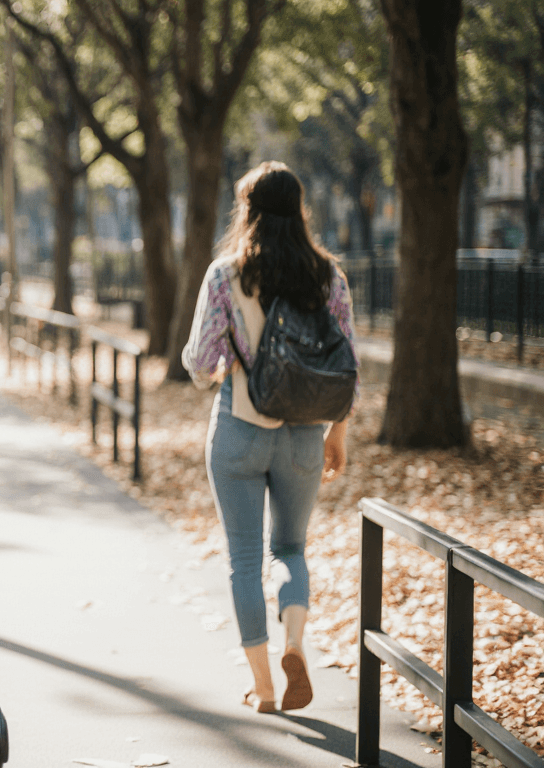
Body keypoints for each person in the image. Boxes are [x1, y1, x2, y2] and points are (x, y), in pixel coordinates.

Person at [181, 161, 358, 714]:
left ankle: (262, 688)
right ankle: (296, 645)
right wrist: (338, 434)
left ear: (249, 210)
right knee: (290, 548)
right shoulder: (329, 276)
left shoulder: (225, 275)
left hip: (239, 427)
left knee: (243, 558)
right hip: (305, 434)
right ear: (298, 209)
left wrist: (230, 360)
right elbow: (346, 363)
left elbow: (198, 360)